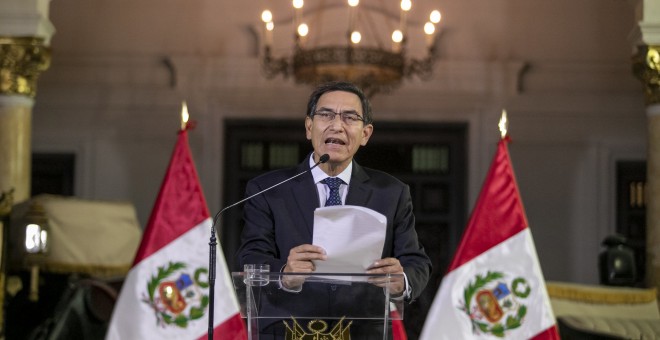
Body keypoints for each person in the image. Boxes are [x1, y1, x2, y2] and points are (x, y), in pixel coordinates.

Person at [235, 81, 432, 339]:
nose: (337, 125)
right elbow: (250, 257)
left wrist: (401, 280)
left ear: (365, 134)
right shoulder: (268, 189)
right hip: (287, 331)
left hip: (361, 332)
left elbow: (416, 262)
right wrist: (283, 273)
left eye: (350, 117)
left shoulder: (391, 193)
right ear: (309, 127)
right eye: (326, 115)